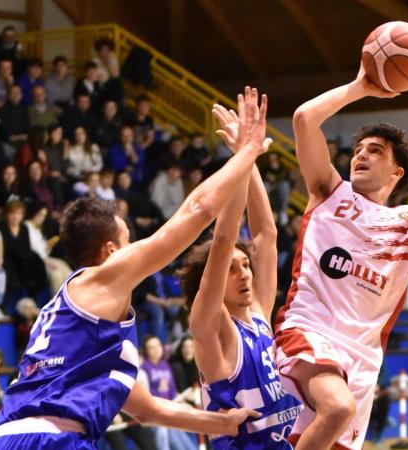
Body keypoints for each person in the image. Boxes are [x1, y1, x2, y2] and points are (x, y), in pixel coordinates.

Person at [0, 86, 270, 450]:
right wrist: (248, 152)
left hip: (7, 439)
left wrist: (223, 422)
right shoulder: (103, 277)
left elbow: (147, 410)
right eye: (130, 239)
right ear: (112, 249)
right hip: (51, 439)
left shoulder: (86, 334)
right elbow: (197, 210)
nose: (137, 249)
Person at [273, 67, 408, 450]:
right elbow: (304, 119)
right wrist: (359, 87)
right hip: (309, 333)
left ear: (397, 172)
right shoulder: (330, 192)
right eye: (358, 150)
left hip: (363, 358)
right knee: (337, 408)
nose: (361, 156)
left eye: (375, 151)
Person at [183, 90, 301, 448]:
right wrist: (242, 157)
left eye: (246, 265)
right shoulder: (212, 326)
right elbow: (222, 242)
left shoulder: (259, 314)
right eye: (233, 269)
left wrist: (248, 158)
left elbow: (266, 234)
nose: (245, 273)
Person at [141, 335, 197, 450]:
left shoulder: (165, 364)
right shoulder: (144, 368)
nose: (156, 349)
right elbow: (146, 396)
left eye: (158, 346)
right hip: (159, 414)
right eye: (151, 347)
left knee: (189, 446)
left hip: (171, 410)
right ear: (146, 351)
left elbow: (172, 390)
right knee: (179, 446)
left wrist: (180, 403)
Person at [0, 200, 48, 298]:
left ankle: (34, 297)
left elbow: (27, 248)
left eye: (19, 213)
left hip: (21, 258)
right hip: (7, 258)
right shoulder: (0, 227)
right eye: (12, 213)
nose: (15, 216)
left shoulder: (24, 228)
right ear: (7, 214)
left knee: (36, 264)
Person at [24, 202, 72, 294]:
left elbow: (42, 249)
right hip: (36, 261)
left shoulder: (37, 229)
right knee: (56, 274)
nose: (42, 218)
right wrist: (45, 261)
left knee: (65, 268)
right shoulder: (26, 226)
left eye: (44, 216)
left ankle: (72, 297)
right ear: (34, 213)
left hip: (45, 258)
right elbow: (32, 249)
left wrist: (49, 245)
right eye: (40, 214)